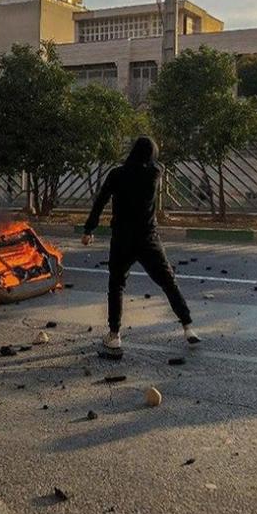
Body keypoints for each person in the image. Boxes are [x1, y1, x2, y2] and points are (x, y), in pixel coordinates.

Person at [81, 136, 199, 359]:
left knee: (116, 285)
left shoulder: (116, 175)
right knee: (168, 282)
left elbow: (100, 201)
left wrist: (89, 229)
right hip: (148, 239)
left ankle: (114, 335)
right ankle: (187, 326)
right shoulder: (155, 173)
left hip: (122, 239)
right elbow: (158, 164)